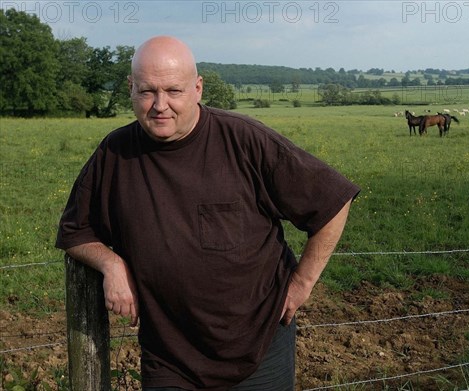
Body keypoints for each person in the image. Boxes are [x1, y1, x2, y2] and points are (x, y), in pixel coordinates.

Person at [56, 35, 359, 391]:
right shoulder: (115, 154)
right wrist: (111, 263)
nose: (159, 105)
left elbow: (333, 202)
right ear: (130, 88)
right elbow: (76, 232)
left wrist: (302, 283)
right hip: (169, 358)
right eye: (147, 91)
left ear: (198, 88)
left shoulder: (244, 141)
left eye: (174, 91)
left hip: (259, 349)